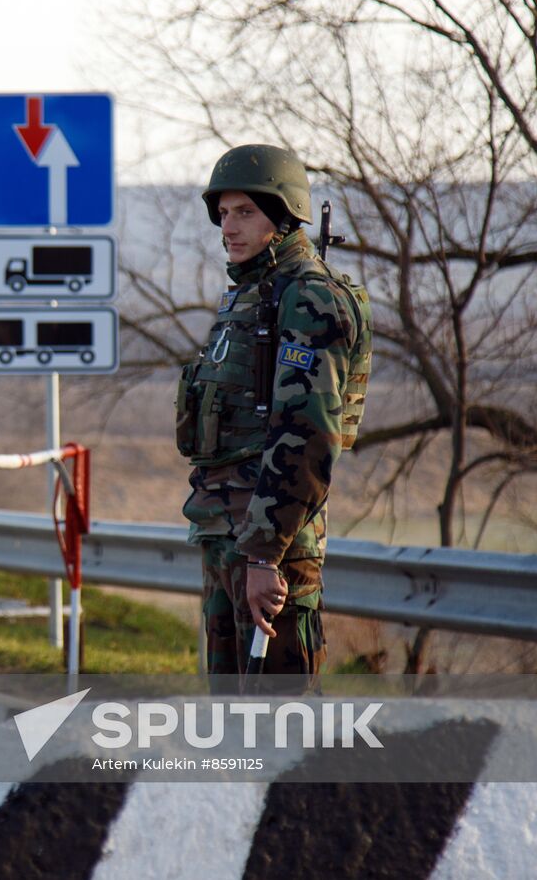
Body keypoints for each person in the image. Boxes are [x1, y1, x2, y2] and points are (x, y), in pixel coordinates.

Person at [176, 144, 373, 690]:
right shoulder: (250, 293)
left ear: (284, 216)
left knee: (276, 729)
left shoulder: (309, 297)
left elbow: (307, 437)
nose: (228, 227)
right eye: (223, 213)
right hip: (226, 534)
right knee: (230, 726)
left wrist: (265, 556)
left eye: (245, 212)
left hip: (271, 547)